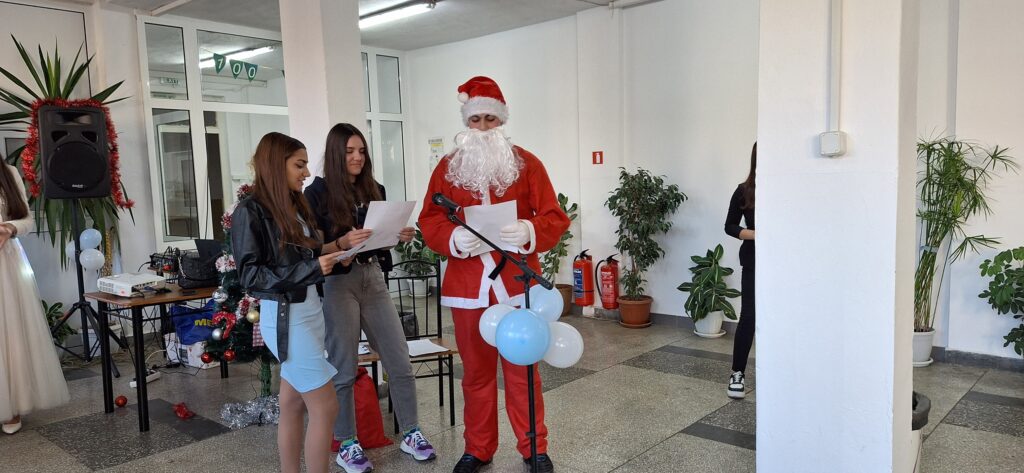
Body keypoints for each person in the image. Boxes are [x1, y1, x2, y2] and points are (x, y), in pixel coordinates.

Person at [418, 76, 570, 473]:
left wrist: (530, 229)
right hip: (468, 289)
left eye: (490, 119)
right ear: (466, 123)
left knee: (523, 370)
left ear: (501, 121)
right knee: (476, 375)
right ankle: (478, 448)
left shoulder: (527, 164)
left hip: (517, 286)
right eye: (476, 120)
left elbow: (554, 216)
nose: (483, 128)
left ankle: (534, 447)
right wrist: (453, 238)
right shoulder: (447, 169)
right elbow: (430, 219)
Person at [304, 123, 436, 473]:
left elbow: (379, 240)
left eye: (361, 151)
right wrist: (341, 243)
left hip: (373, 277)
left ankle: (411, 432)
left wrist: (398, 235)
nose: (357, 157)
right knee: (344, 367)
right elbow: (313, 247)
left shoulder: (374, 188)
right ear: (335, 154)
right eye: (349, 151)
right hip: (338, 284)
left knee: (399, 358)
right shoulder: (316, 194)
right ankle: (347, 443)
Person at [231, 132, 347, 473]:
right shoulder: (250, 211)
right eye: (299, 165)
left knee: (293, 404)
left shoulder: (294, 205)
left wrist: (339, 248)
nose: (307, 172)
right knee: (325, 407)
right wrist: (313, 268)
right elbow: (251, 276)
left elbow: (305, 254)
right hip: (286, 319)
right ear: (275, 165)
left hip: (308, 313)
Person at [0, 163, 70, 435]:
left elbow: (27, 220)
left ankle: (11, 406)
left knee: (10, 335)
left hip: (7, 265)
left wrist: (9, 228)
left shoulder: (8, 172)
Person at [724, 142, 756, 399]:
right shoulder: (745, 190)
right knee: (749, 317)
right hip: (754, 260)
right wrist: (756, 234)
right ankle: (737, 373)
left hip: (785, 263)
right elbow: (730, 226)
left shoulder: (788, 188)